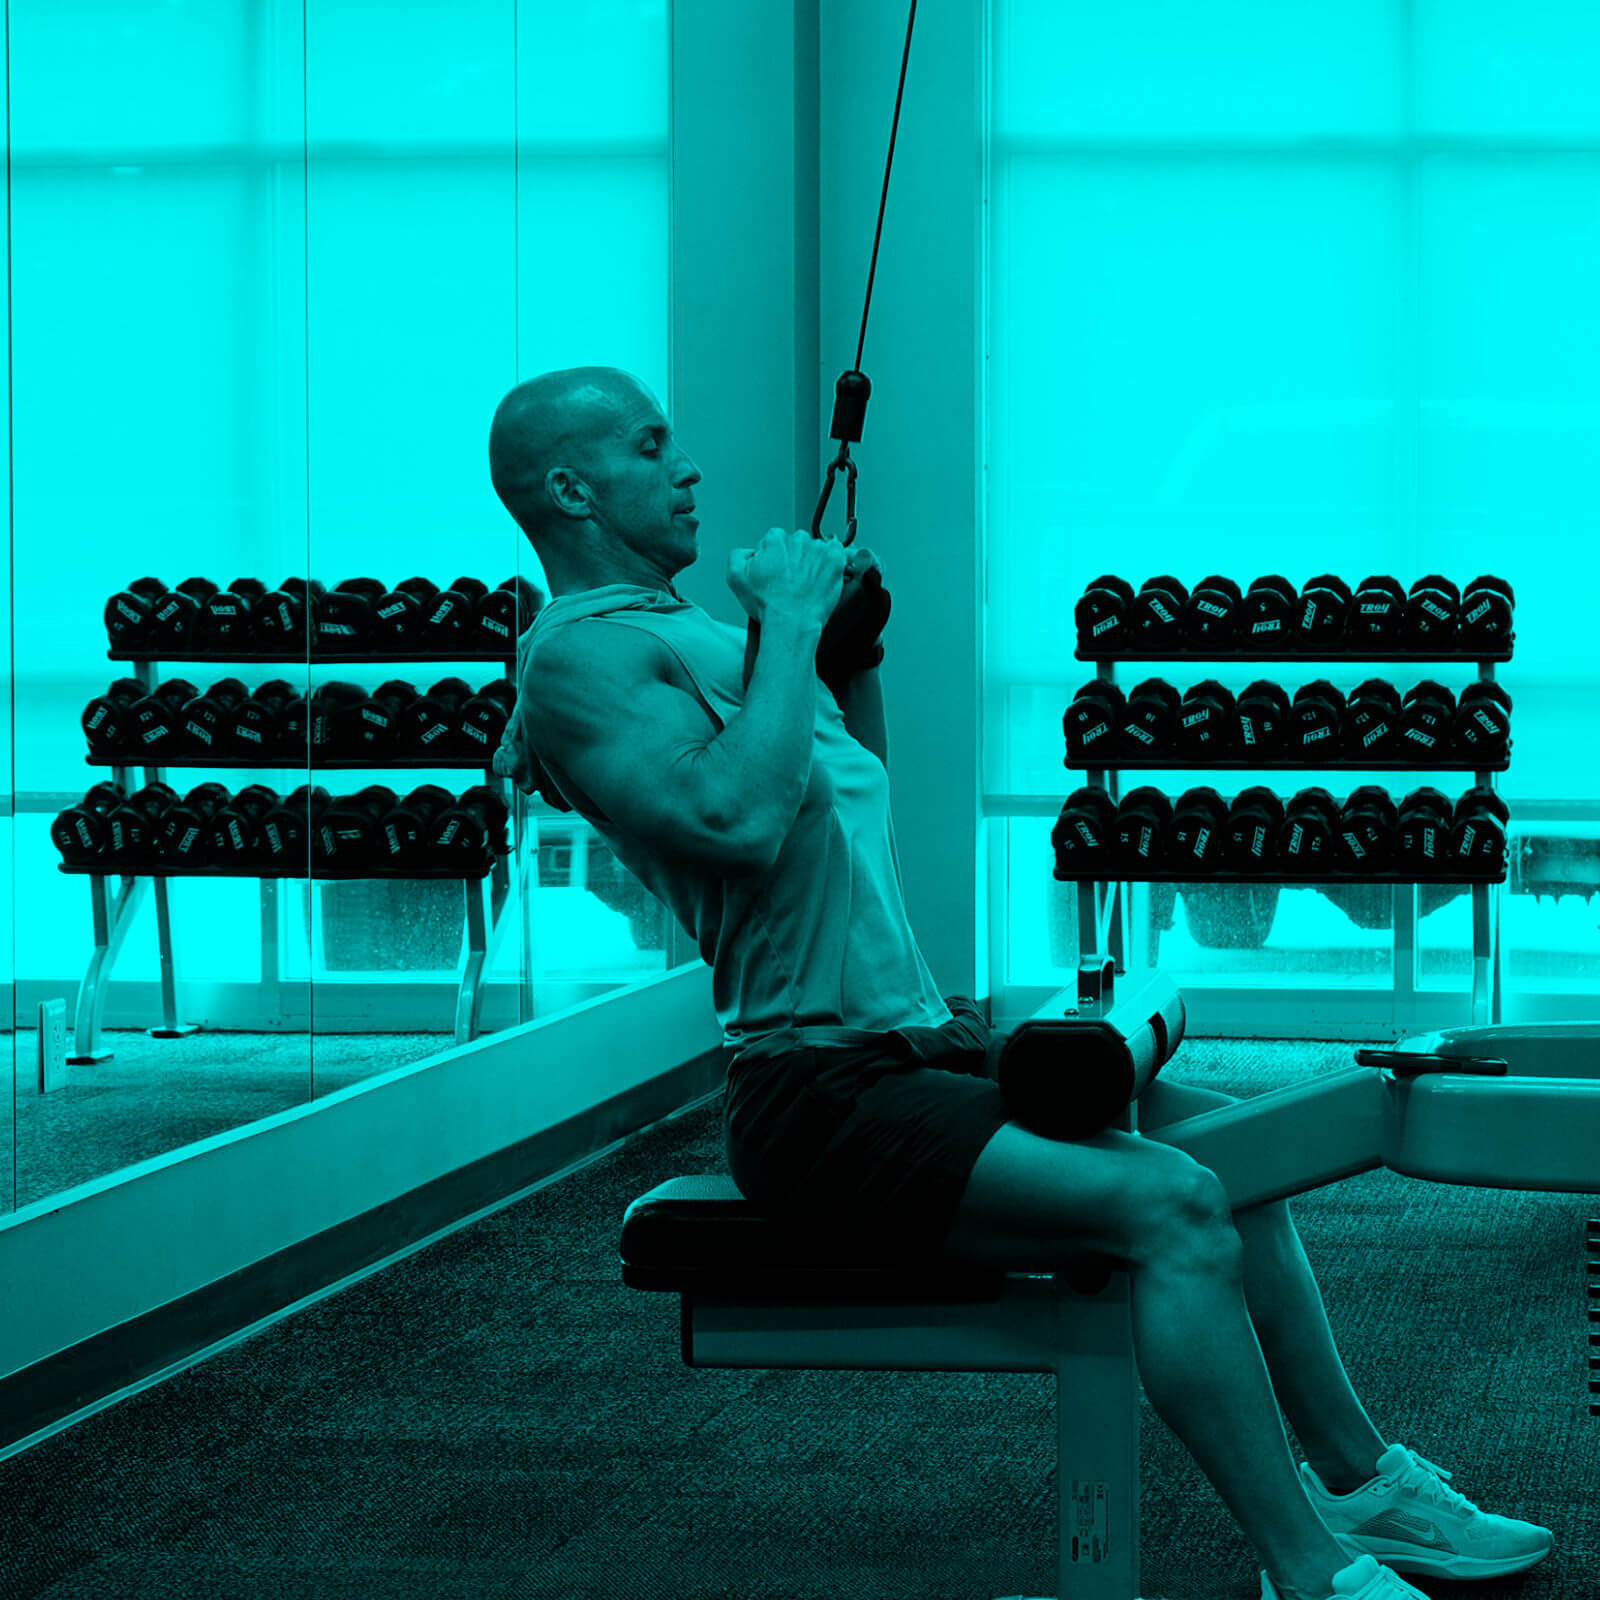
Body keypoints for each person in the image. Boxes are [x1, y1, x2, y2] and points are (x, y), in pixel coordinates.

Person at [487, 365, 1553, 1600]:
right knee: (1176, 1205)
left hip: (912, 1046)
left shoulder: (696, 637)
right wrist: (786, 630)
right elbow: (734, 819)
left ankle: (1362, 1482)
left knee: (1253, 1155)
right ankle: (1309, 1573)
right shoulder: (580, 661)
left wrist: (847, 650)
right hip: (813, 1093)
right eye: (649, 445)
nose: (688, 468)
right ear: (570, 486)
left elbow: (842, 803)